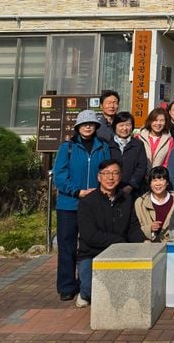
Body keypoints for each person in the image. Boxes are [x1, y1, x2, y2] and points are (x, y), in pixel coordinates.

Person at [52, 109, 111, 302]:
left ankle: (91, 283)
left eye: (91, 124)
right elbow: (59, 176)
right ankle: (67, 285)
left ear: (96, 127)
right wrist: (77, 191)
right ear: (77, 127)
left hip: (94, 205)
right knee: (67, 245)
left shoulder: (103, 147)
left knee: (93, 244)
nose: (87, 127)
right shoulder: (67, 147)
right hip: (69, 204)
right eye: (84, 124)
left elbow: (108, 172)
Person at [76, 159, 144, 308]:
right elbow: (89, 235)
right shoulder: (87, 202)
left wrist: (143, 244)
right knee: (89, 292)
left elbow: (133, 227)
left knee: (126, 290)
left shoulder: (126, 199)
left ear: (120, 176)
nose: (110, 177)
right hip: (92, 253)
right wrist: (119, 241)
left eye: (115, 173)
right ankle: (83, 289)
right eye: (106, 173)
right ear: (99, 177)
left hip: (119, 252)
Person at [134, 166, 174, 242]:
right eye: (154, 180)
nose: (158, 184)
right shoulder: (140, 203)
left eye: (161, 180)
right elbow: (134, 229)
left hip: (172, 244)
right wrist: (149, 228)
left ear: (167, 183)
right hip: (149, 246)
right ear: (149, 183)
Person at [107, 111, 148, 198]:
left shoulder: (138, 144)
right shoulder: (108, 145)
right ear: (115, 127)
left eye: (128, 125)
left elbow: (141, 167)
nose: (124, 128)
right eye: (121, 125)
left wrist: (131, 185)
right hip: (110, 189)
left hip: (133, 191)